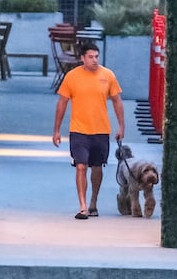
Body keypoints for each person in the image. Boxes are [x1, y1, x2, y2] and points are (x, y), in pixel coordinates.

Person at [52, 42, 125, 220]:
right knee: (81, 166)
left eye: (96, 56)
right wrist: (56, 130)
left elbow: (116, 101)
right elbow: (62, 103)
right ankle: (83, 206)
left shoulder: (108, 75)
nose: (94, 60)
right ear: (82, 58)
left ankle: (93, 202)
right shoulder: (72, 77)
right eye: (90, 57)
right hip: (78, 130)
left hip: (101, 130)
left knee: (97, 168)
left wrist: (121, 126)